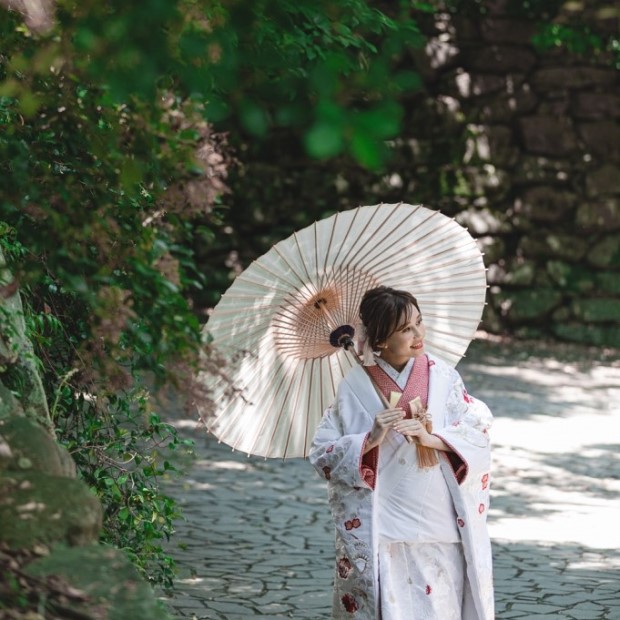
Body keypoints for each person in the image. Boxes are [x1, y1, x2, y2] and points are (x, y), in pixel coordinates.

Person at [309, 286, 494, 620]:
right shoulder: (355, 385)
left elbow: (478, 428)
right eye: (406, 329)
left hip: (438, 518)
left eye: (419, 323)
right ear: (379, 340)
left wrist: (432, 437)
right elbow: (323, 452)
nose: (418, 334)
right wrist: (369, 439)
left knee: (441, 608)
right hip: (385, 522)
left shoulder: (442, 376)